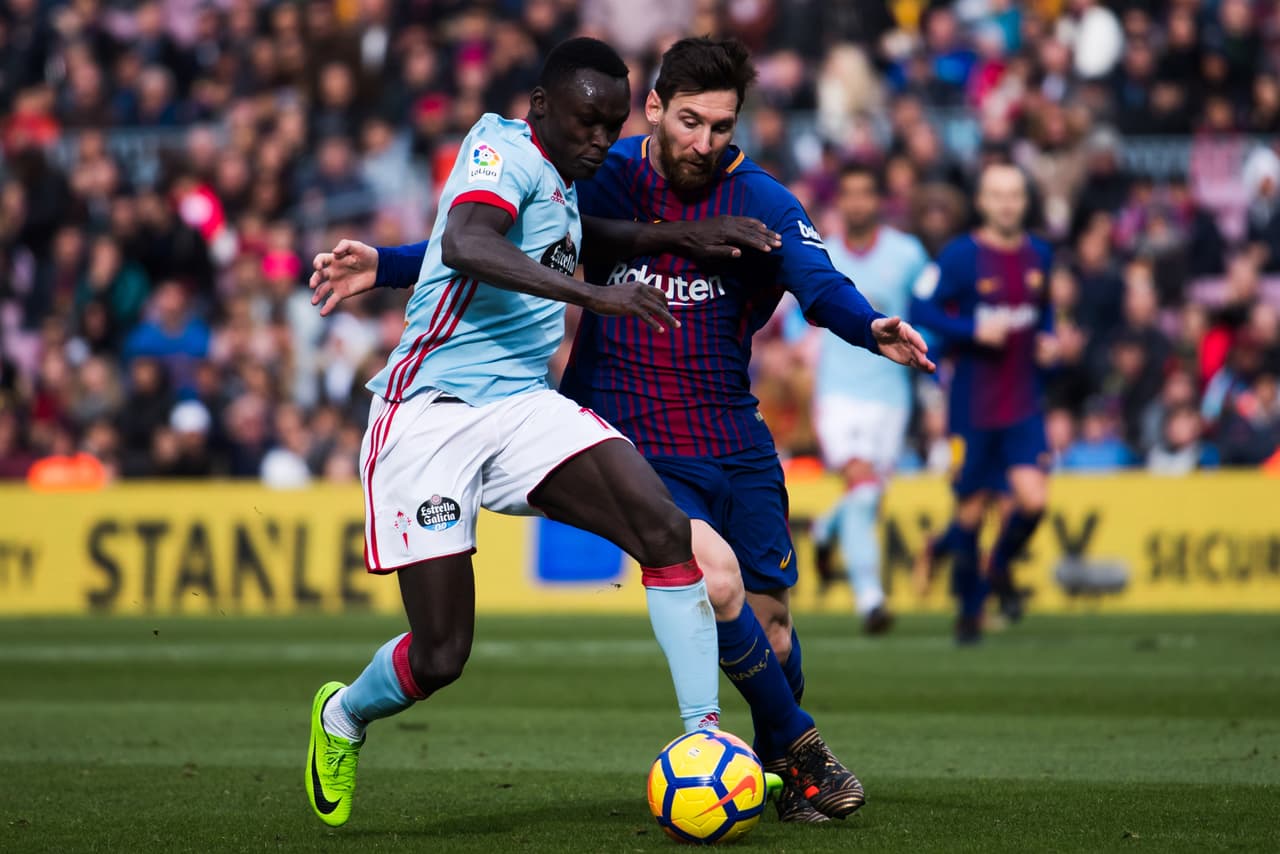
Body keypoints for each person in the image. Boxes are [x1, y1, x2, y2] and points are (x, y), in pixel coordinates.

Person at [315, 37, 935, 823]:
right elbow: (468, 240)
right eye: (688, 122)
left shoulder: (735, 195)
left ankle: (730, 748)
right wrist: (401, 266)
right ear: (654, 110)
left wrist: (866, 325)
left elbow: (806, 276)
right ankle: (344, 713)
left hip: (649, 425)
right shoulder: (546, 155)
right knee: (447, 653)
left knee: (754, 616)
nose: (701, 141)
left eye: (721, 126)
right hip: (461, 414)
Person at [910, 162, 1056, 645]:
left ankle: (997, 568)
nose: (1007, 204)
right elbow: (919, 307)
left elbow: (1045, 313)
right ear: (982, 202)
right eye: (998, 195)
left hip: (1024, 401)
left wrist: (1050, 339)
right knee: (971, 510)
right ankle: (969, 614)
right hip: (973, 403)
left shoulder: (1040, 254)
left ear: (1025, 201)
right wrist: (971, 329)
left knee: (1033, 501)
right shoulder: (960, 256)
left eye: (1015, 195)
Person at [808, 163, 931, 635]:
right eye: (850, 194)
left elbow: (932, 310)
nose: (857, 202)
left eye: (866, 193)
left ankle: (826, 528)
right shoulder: (823, 255)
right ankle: (871, 599)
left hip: (891, 397)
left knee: (868, 497)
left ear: (879, 200)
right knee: (861, 485)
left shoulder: (908, 255)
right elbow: (801, 320)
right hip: (838, 393)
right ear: (839, 201)